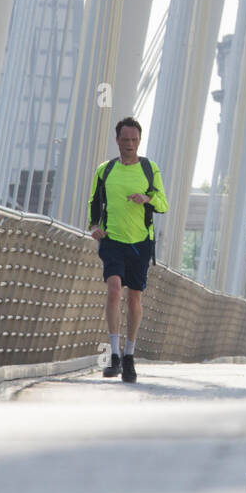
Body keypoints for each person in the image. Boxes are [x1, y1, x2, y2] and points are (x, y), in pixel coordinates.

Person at [88, 116, 169, 384]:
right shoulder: (105, 170)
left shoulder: (149, 169)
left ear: (139, 141)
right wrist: (94, 225)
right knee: (113, 289)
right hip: (112, 240)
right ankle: (113, 354)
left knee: (134, 298)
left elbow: (163, 204)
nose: (130, 144)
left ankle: (129, 355)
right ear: (117, 141)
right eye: (125, 140)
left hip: (140, 243)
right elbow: (94, 201)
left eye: (134, 140)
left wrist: (147, 198)